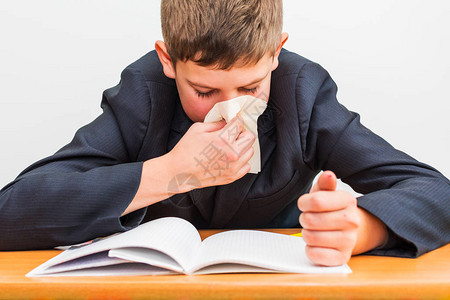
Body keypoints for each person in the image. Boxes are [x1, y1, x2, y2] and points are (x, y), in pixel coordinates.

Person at [0, 0, 448, 267]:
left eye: (251, 87)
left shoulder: (301, 92)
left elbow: (435, 191)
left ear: (276, 54)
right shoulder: (143, 96)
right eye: (204, 90)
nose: (231, 108)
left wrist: (362, 227)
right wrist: (167, 173)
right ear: (168, 61)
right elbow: (11, 211)